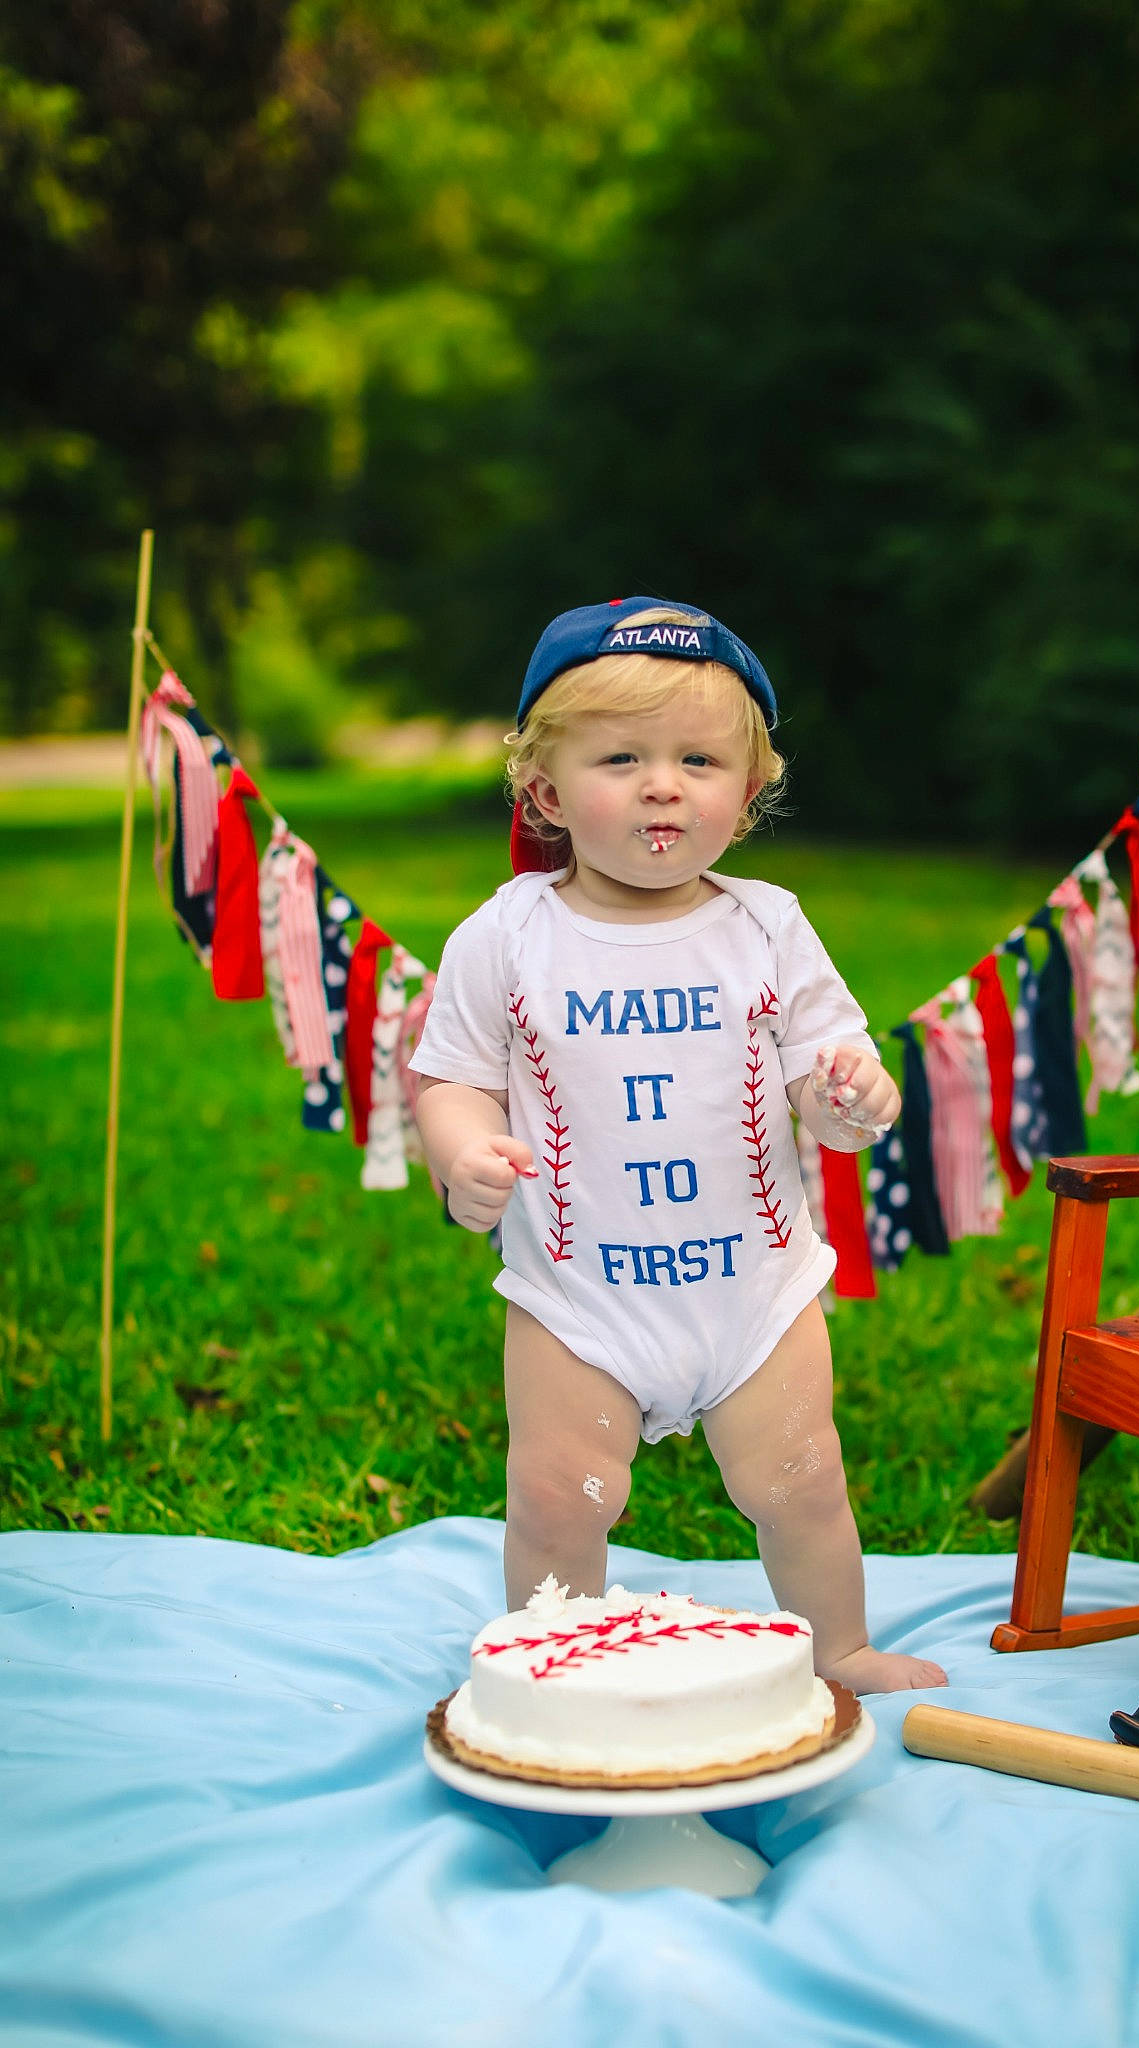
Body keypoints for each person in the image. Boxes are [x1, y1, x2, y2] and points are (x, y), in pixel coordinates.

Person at [412, 599, 946, 1693]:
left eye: (699, 759)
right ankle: (552, 1667)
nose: (664, 783)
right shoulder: (507, 934)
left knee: (802, 1478)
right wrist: (461, 1152)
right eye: (623, 757)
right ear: (547, 792)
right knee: (559, 1496)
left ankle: (836, 1645)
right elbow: (449, 1078)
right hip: (579, 1297)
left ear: (745, 794)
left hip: (754, 1290)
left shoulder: (767, 924)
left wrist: (849, 1099)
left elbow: (828, 1068)